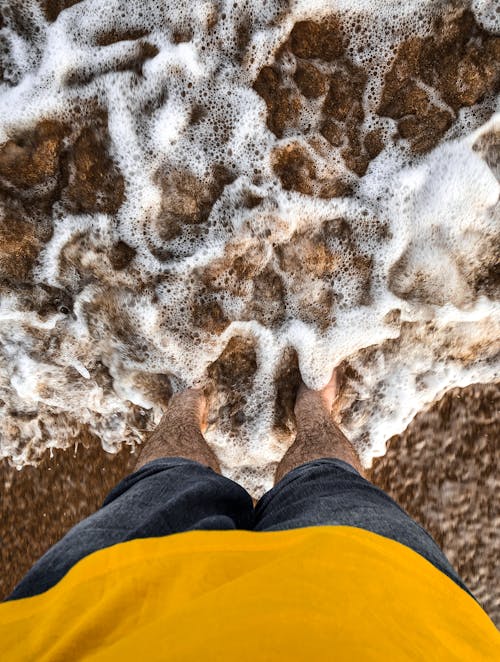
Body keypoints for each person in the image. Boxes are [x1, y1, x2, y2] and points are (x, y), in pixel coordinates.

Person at [1, 371, 498, 660]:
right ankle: (314, 413)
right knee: (326, 477)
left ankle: (188, 401)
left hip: (99, 611)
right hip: (379, 604)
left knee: (171, 478)